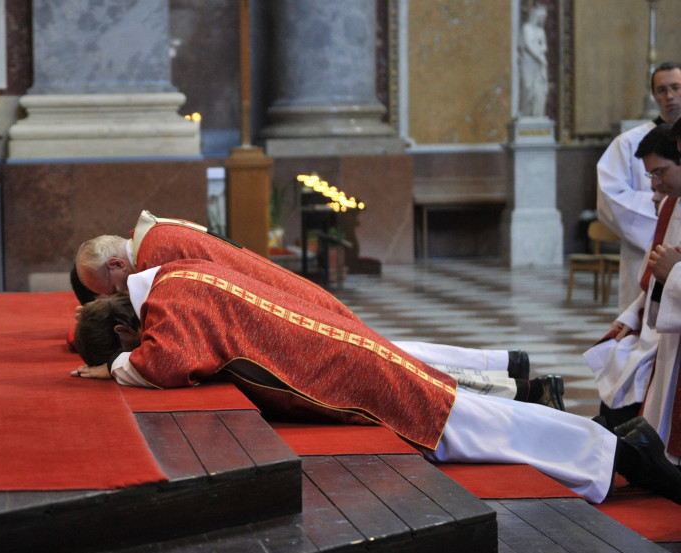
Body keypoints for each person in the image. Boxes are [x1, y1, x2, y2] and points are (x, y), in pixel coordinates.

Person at [72, 259, 681, 504]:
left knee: (468, 427)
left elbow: (162, 364)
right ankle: (613, 445)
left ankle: (622, 452)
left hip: (341, 376)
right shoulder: (174, 279)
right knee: (466, 416)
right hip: (334, 349)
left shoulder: (166, 318)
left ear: (125, 333)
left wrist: (112, 371)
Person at [72, 210, 561, 407]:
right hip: (285, 303)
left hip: (285, 313)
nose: (110, 297)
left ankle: (514, 386)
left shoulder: (155, 257)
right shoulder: (157, 234)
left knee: (397, 370)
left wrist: (120, 363)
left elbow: (179, 341)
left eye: (105, 287)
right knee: (393, 361)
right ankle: (510, 376)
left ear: (118, 263)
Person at [590, 125, 681, 431]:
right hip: (662, 324)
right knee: (619, 361)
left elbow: (668, 270)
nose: (654, 186)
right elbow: (655, 276)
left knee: (634, 377)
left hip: (671, 329)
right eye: (650, 176)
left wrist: (674, 273)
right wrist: (631, 315)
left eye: (661, 172)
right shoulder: (671, 204)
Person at [597, 62, 681, 315]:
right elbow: (610, 198)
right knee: (644, 326)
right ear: (653, 96)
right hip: (644, 251)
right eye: (662, 90)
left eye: (676, 87)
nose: (670, 96)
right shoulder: (628, 143)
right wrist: (665, 215)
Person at [518, 4, 548, 117]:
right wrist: (539, 56)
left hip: (539, 63)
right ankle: (526, 113)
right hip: (529, 62)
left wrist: (540, 52)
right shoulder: (526, 28)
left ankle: (537, 113)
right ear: (535, 16)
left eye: (543, 18)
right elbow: (528, 45)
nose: (542, 20)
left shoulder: (541, 31)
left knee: (540, 88)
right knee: (528, 87)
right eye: (540, 17)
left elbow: (545, 46)